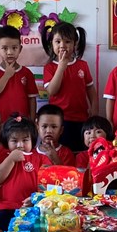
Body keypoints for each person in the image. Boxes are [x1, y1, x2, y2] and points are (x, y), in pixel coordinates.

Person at [0, 115, 42, 232]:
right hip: (4, 206)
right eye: (14, 141)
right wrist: (10, 159)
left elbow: (47, 186)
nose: (20, 145)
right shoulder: (1, 158)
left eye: (25, 140)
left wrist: (36, 199)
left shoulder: (41, 159)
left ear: (32, 140)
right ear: (7, 141)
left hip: (32, 207)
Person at [41, 22, 95, 151]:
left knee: (80, 153)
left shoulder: (82, 65)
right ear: (51, 44)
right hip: (59, 122)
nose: (62, 45)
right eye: (58, 41)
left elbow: (91, 90)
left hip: (82, 119)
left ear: (75, 44)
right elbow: (52, 91)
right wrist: (61, 67)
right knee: (62, 154)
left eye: (67, 41)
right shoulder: (50, 67)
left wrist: (94, 111)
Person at [0, 25, 38, 121]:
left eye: (14, 48)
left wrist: (32, 121)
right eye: (5, 48)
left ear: (20, 49)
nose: (10, 52)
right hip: (0, 122)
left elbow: (32, 99)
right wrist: (7, 75)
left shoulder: (26, 72)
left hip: (22, 123)